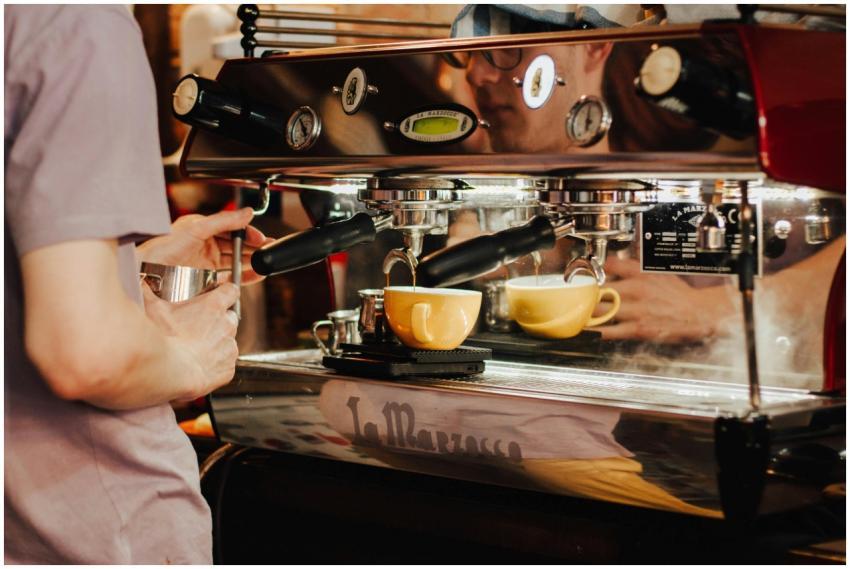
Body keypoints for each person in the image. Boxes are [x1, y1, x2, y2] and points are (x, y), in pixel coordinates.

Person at [5, 5, 270, 563]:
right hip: (84, 536)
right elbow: (86, 356)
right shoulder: (78, 24)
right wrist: (191, 360)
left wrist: (124, 268)